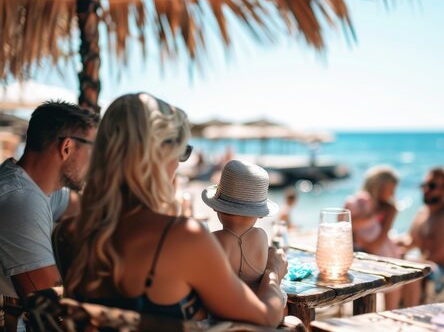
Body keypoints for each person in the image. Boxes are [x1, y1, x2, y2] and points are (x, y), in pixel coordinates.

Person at [62, 93, 287, 327]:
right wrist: (273, 271)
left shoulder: (67, 233)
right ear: (159, 157)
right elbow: (266, 317)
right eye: (182, 152)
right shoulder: (183, 238)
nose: (179, 164)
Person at [0, 101, 98, 329]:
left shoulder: (37, 187)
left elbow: (85, 207)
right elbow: (55, 311)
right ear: (67, 147)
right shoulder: (21, 200)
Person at [398, 167, 444, 307]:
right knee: (388, 259)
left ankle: (408, 318)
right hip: (425, 268)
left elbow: (439, 255)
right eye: (424, 185)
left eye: (432, 186)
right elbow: (409, 241)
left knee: (412, 269)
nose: (426, 190)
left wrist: (408, 257)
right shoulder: (423, 213)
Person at [203, 159, 276, 291]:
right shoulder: (262, 236)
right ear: (260, 214)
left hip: (223, 308)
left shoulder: (212, 241)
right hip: (258, 304)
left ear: (215, 208)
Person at [344, 165, 401, 309]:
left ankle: (391, 316)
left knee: (393, 286)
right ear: (379, 186)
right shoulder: (361, 203)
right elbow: (344, 225)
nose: (393, 193)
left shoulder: (390, 208)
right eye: (391, 189)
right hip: (360, 253)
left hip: (383, 252)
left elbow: (378, 241)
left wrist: (360, 240)